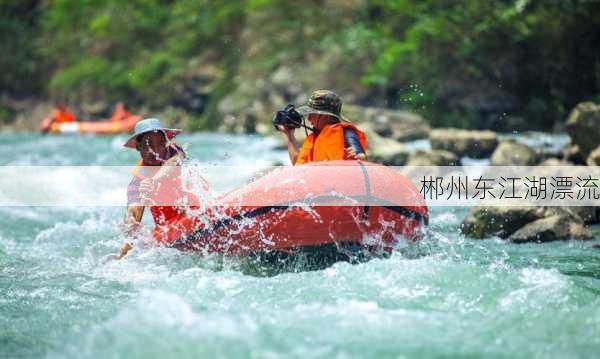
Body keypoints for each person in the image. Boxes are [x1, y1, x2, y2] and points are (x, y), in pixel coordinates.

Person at [116, 118, 196, 259]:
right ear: (139, 148)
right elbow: (133, 213)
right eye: (148, 145)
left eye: (160, 143)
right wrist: (130, 229)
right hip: (170, 228)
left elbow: (173, 163)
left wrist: (154, 180)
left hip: (196, 211)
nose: (156, 150)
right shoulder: (137, 183)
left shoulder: (174, 151)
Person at [275, 90, 368, 165]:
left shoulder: (346, 132)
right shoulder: (314, 138)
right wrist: (289, 135)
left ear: (326, 116)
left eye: (313, 114)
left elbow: (360, 156)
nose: (309, 119)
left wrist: (357, 156)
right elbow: (298, 164)